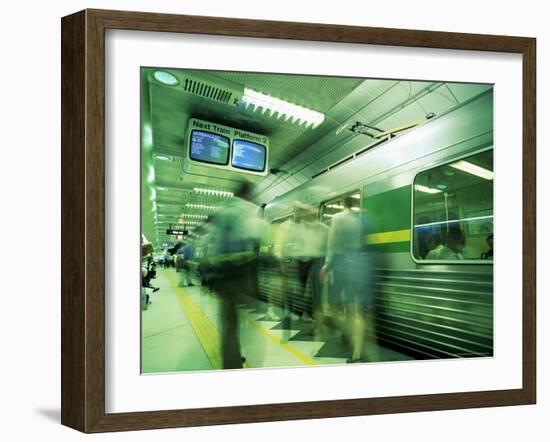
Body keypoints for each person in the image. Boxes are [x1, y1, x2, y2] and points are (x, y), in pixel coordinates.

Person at [204, 182, 265, 369]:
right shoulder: (248, 213)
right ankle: (243, 357)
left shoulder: (223, 212)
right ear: (247, 194)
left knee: (230, 325)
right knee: (249, 323)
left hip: (224, 275)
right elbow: (254, 238)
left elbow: (212, 245)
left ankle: (232, 362)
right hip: (243, 274)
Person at [321, 197, 378, 363]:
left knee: (339, 308)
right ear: (353, 204)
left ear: (342, 204)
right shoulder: (361, 219)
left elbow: (332, 244)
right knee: (358, 311)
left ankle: (352, 340)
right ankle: (358, 351)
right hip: (361, 264)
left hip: (344, 264)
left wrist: (326, 266)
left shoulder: (338, 218)